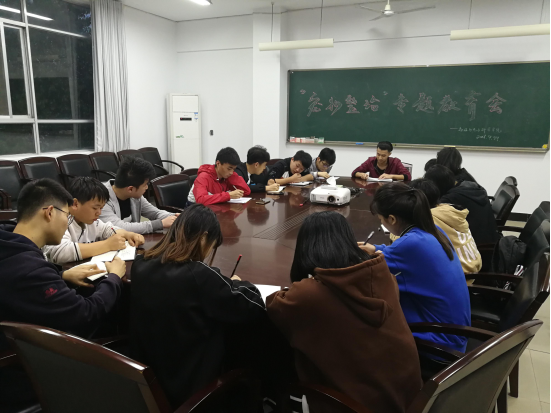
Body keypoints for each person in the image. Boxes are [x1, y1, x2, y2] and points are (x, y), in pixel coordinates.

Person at [267, 212, 422, 413]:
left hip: (353, 405)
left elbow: (274, 307)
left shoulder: (310, 295)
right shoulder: (382, 275)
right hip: (409, 397)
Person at [130, 204, 266, 407]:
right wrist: (235, 283)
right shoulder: (198, 275)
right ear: (203, 238)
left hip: (152, 384)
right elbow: (253, 304)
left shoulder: (140, 264)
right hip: (194, 388)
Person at [361, 182, 471, 352]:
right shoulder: (432, 230)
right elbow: (394, 253)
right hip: (454, 330)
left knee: (363, 319)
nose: (381, 222)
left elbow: (369, 269)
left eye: (381, 219)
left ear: (392, 219)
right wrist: (375, 248)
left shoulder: (411, 244)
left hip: (439, 341)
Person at [43, 177, 145, 264]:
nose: (99, 213)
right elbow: (60, 252)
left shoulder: (90, 221)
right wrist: (107, 245)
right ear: (75, 204)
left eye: (101, 208)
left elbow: (107, 229)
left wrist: (128, 234)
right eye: (95, 208)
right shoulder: (59, 221)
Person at [409, 179, 482, 276]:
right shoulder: (450, 210)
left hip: (458, 275)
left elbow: (400, 239)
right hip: (473, 269)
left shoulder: (428, 217)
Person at [100, 157, 178, 234]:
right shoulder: (100, 197)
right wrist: (160, 224)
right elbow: (117, 228)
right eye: (145, 184)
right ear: (130, 189)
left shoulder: (135, 196)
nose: (147, 187)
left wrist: (175, 216)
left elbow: (154, 213)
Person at [425, 165, 498, 245]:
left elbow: (430, 216)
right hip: (489, 235)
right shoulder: (468, 185)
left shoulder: (450, 198)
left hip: (476, 243)